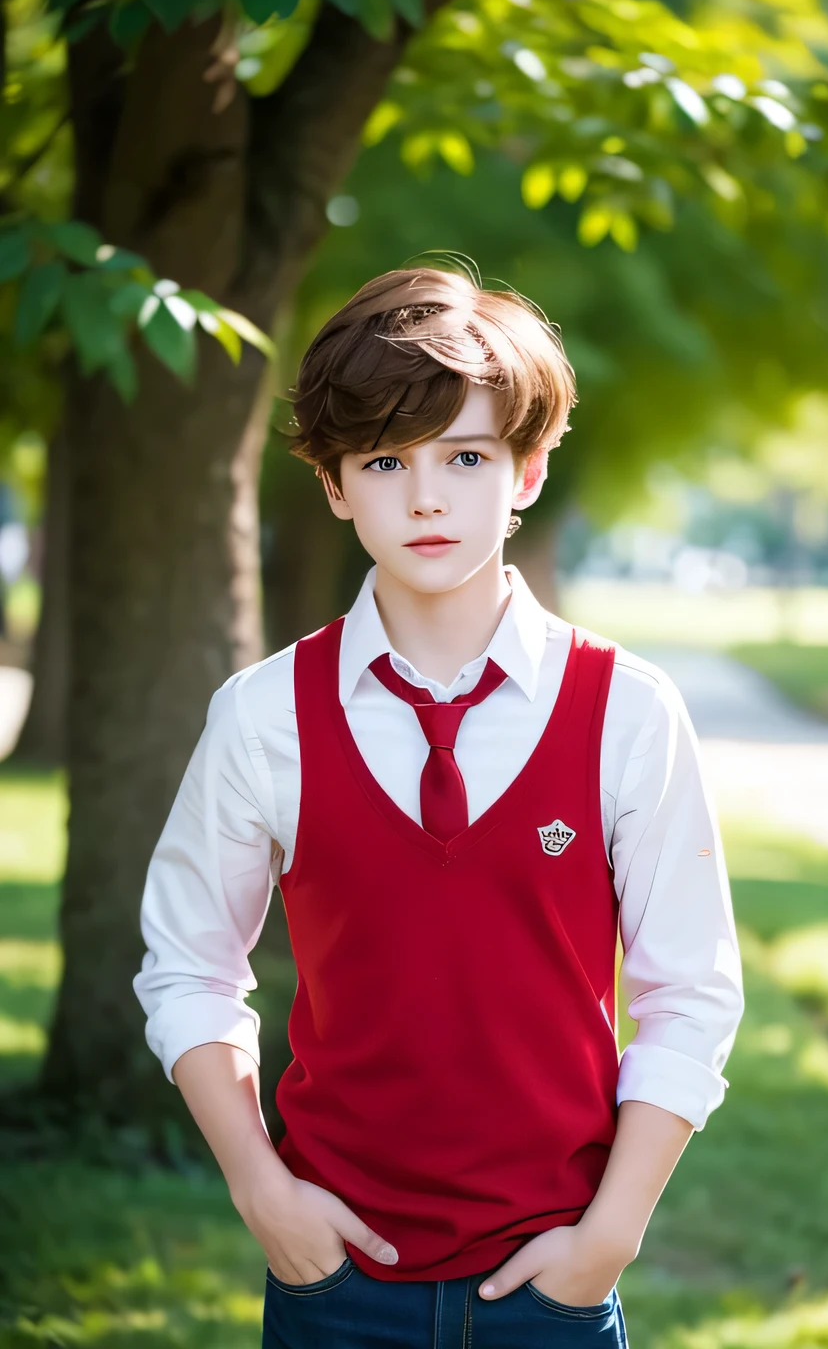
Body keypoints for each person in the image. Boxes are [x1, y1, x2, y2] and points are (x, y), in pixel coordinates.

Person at [134, 266, 744, 1349]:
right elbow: (187, 967)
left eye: (465, 457)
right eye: (384, 462)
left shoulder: (626, 712)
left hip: (555, 1278)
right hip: (333, 1277)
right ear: (333, 485)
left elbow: (690, 994)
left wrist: (609, 1239)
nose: (425, 497)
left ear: (527, 469)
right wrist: (261, 1192)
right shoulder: (264, 715)